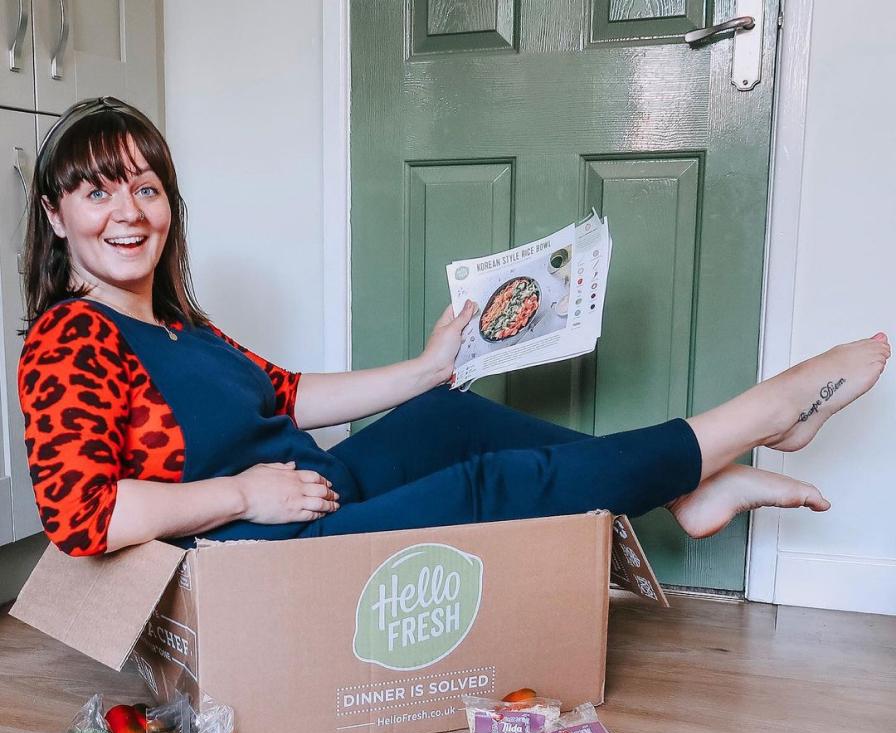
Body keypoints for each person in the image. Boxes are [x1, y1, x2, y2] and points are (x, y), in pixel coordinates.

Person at [17, 97, 891, 558]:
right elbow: (80, 515)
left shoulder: (179, 326)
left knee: (447, 415)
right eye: (98, 191)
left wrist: (429, 367)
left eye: (146, 187)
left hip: (306, 495)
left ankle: (684, 489)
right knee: (490, 484)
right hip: (261, 548)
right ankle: (760, 415)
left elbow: (285, 395)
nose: (128, 212)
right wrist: (245, 496)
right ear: (56, 215)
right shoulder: (70, 339)